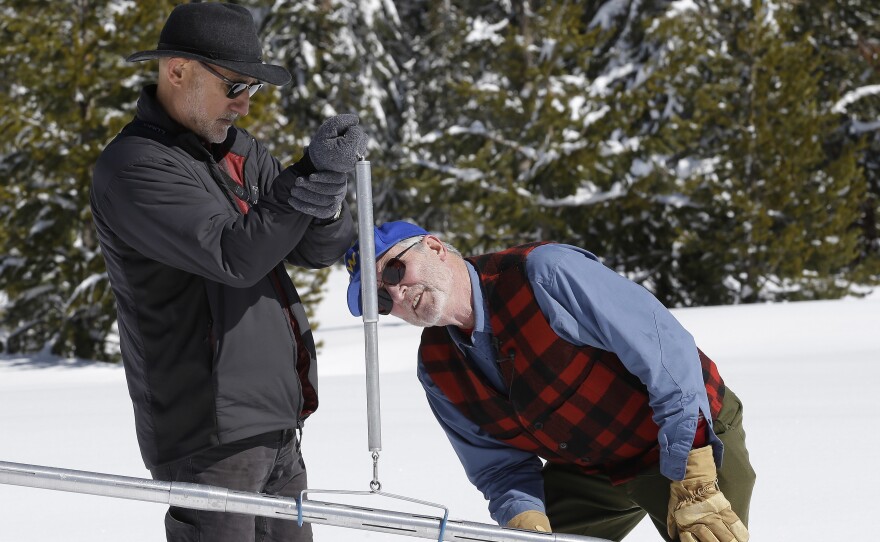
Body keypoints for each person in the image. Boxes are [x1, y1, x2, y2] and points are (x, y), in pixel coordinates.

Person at [91, 3, 367, 541]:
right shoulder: (133, 166)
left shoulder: (237, 152)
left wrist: (327, 198)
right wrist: (302, 180)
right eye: (235, 85)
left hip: (276, 421)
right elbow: (232, 255)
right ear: (177, 71)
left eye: (252, 89)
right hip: (208, 433)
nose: (243, 105)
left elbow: (314, 248)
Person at [344, 221, 755, 542]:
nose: (397, 293)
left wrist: (694, 478)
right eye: (379, 299)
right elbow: (499, 470)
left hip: (683, 435)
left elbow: (668, 360)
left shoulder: (545, 273)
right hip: (590, 467)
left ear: (433, 247)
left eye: (395, 269)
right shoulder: (436, 368)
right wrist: (526, 520)